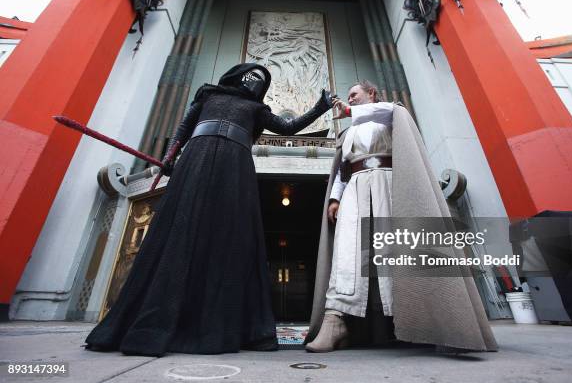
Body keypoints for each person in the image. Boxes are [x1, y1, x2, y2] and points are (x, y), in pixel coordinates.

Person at [85, 63, 334, 356]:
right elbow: (184, 128)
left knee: (228, 235)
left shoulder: (257, 110)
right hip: (197, 157)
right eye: (252, 76)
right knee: (180, 229)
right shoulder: (207, 95)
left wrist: (320, 107)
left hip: (235, 164)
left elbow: (288, 127)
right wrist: (169, 157)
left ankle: (223, 324)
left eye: (261, 81)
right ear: (236, 75)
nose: (255, 83)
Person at [305, 81, 498, 353]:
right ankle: (335, 320)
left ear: (371, 93)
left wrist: (350, 110)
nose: (350, 99)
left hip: (389, 184)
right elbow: (343, 170)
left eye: (355, 95)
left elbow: (387, 112)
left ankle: (418, 321)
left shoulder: (391, 114)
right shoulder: (348, 133)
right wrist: (336, 197)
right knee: (347, 252)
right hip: (355, 188)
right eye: (348, 97)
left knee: (396, 249)